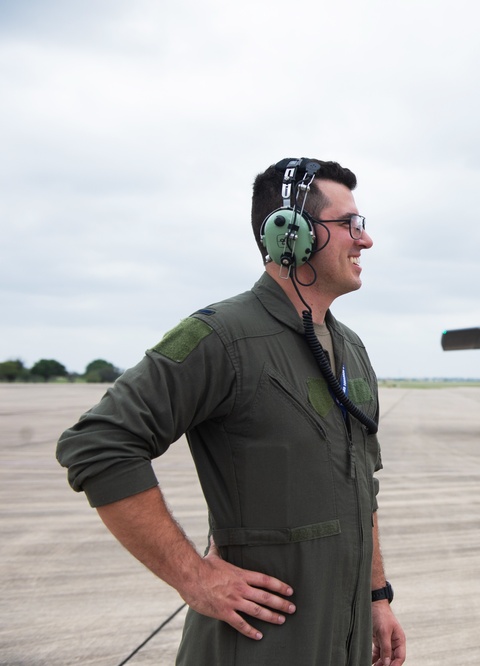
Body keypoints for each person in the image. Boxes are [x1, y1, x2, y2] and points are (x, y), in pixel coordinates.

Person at [56, 158, 406, 665]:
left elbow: (361, 487)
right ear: (293, 235)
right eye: (349, 224)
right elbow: (98, 444)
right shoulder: (222, 337)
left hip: (343, 646)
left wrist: (377, 598)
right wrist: (193, 577)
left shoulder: (350, 349)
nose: (365, 240)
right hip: (260, 648)